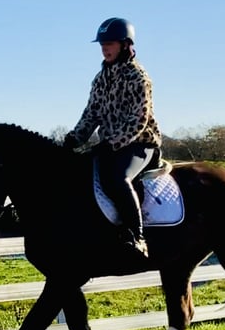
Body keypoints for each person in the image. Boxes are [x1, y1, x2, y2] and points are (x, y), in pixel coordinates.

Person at [63, 17, 162, 258]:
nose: (105, 48)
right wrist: (74, 139)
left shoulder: (139, 77)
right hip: (109, 145)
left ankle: (137, 237)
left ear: (125, 44)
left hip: (139, 144)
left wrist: (112, 143)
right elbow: (91, 115)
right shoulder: (100, 79)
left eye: (110, 43)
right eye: (102, 44)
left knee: (118, 178)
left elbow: (138, 120)